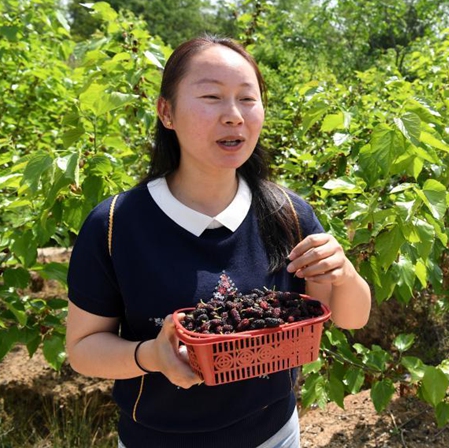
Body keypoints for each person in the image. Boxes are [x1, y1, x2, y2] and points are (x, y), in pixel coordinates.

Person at [65, 35, 371, 448]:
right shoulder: (116, 225)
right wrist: (149, 357)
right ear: (166, 112)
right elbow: (83, 349)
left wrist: (345, 271)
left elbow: (348, 317)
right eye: (211, 96)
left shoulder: (287, 214)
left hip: (274, 435)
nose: (233, 116)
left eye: (247, 98)